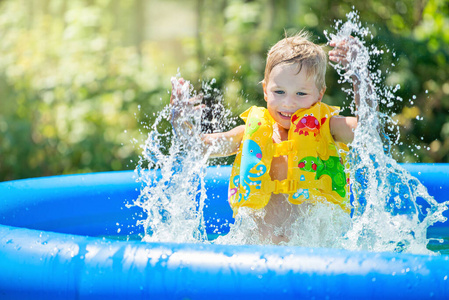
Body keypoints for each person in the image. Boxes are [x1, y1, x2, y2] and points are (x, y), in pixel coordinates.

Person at [171, 31, 361, 244]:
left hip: (312, 258)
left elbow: (368, 130)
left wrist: (360, 80)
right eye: (279, 92)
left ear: (319, 94)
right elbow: (198, 147)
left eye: (300, 94)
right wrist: (180, 121)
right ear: (265, 90)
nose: (288, 103)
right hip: (258, 257)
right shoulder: (249, 133)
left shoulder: (329, 127)